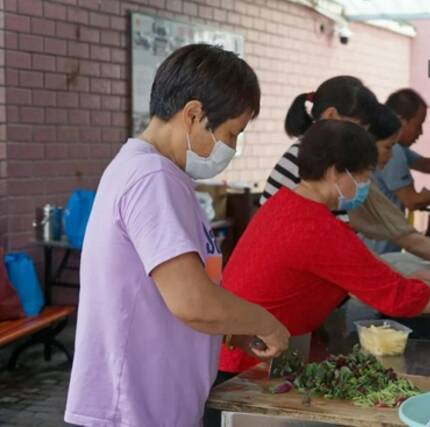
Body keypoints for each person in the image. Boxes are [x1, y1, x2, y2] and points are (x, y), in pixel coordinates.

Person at [65, 44, 289, 427]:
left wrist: (228, 323)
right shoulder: (151, 178)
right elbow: (192, 301)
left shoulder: (149, 172)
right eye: (231, 134)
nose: (231, 149)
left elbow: (176, 292)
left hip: (153, 406)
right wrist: (264, 322)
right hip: (135, 410)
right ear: (193, 115)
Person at [219, 120, 430, 373]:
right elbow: (398, 298)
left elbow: (362, 273)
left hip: (243, 350)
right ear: (335, 173)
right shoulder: (318, 228)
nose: (365, 186)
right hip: (248, 364)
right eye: (364, 177)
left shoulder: (286, 202)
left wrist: (406, 279)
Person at [261, 76, 430, 271]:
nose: (360, 143)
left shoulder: (313, 154)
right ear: (331, 116)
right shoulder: (317, 163)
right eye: (358, 131)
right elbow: (342, 248)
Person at [355, 105, 430, 273]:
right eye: (388, 147)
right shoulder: (351, 188)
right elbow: (408, 234)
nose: (392, 155)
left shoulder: (363, 184)